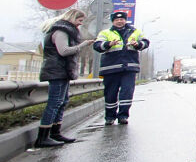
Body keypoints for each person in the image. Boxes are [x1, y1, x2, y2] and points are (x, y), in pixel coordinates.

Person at [36, 9, 95, 147]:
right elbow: (63, 51)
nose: (80, 24)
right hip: (57, 71)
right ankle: (43, 137)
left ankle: (55, 133)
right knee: (55, 102)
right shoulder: (61, 31)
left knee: (62, 101)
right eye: (79, 21)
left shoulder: (65, 30)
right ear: (72, 18)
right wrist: (83, 45)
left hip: (62, 71)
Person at [93, 11, 149, 125]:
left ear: (125, 20)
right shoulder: (106, 32)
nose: (120, 21)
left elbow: (145, 42)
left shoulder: (135, 31)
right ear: (113, 21)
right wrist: (108, 44)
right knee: (110, 94)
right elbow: (97, 45)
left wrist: (137, 44)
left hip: (129, 68)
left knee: (127, 93)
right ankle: (110, 117)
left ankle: (123, 116)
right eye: (117, 20)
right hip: (111, 68)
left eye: (122, 19)